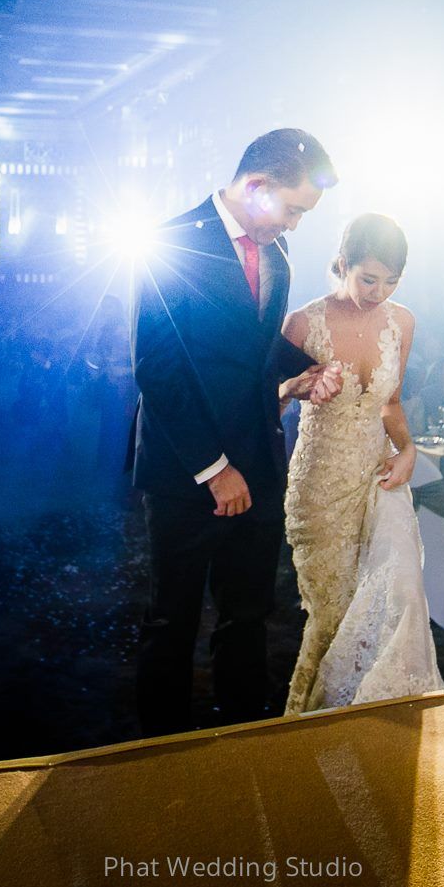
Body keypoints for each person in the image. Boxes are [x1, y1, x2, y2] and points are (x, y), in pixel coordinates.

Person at [130, 128, 342, 735]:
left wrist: (306, 370)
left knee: (248, 618)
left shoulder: (276, 255)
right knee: (172, 622)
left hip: (259, 463)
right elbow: (158, 369)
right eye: (292, 209)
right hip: (185, 470)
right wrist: (215, 469)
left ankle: (244, 743)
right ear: (256, 185)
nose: (295, 224)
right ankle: (159, 757)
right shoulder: (170, 243)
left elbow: (255, 347)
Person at [281, 214, 442, 714]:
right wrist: (292, 386)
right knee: (332, 615)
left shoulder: (402, 323)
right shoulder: (303, 323)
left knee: (391, 605)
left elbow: (390, 403)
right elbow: (263, 406)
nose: (380, 292)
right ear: (342, 263)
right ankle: (314, 724)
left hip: (378, 482)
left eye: (392, 281)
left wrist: (408, 450)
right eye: (369, 279)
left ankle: (368, 721)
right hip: (320, 487)